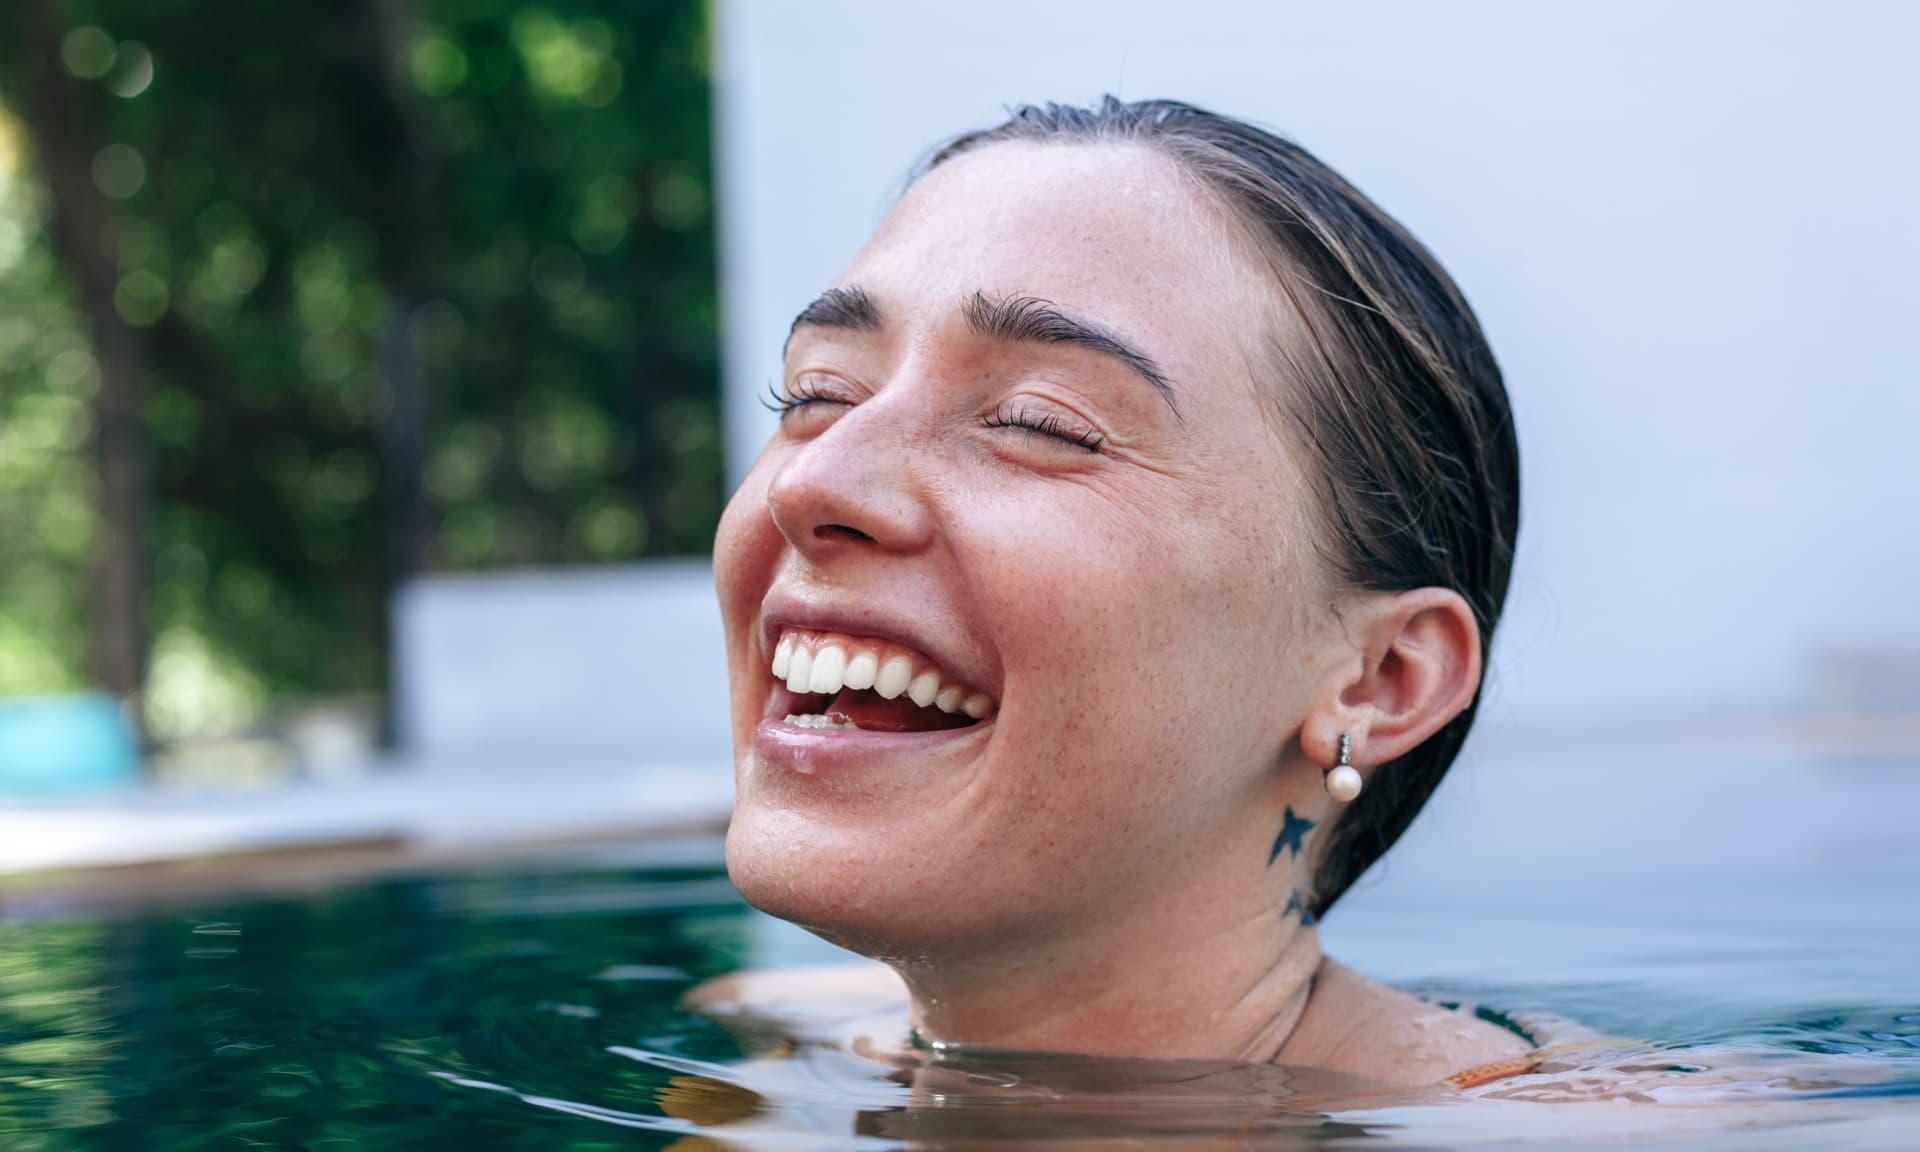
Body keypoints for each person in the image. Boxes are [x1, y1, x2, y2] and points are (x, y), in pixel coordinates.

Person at [708, 97, 1528, 1086]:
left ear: (1381, 678)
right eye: (815, 396)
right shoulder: (769, 1054)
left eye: (1038, 421)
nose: (812, 482)